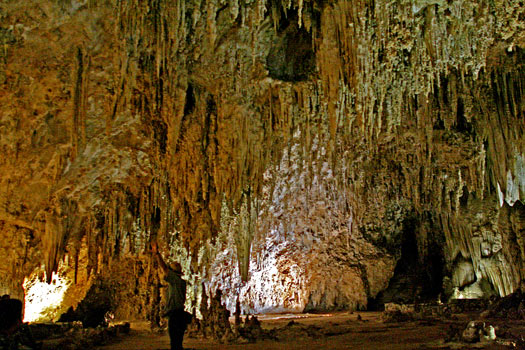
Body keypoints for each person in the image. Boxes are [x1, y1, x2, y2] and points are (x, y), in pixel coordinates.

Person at [152, 242, 191, 350]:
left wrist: (157, 254)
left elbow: (164, 268)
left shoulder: (176, 281)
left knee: (175, 339)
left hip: (176, 314)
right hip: (178, 313)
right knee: (177, 340)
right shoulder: (179, 283)